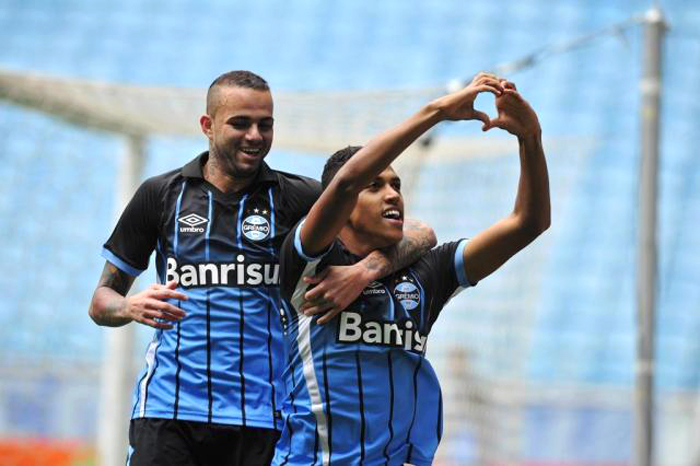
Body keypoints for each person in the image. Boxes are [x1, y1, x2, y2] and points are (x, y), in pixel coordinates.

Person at [88, 70, 436, 466]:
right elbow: (101, 302)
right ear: (207, 125)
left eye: (265, 125)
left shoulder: (298, 196)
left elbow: (420, 232)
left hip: (265, 417)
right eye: (240, 123)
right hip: (169, 412)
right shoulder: (161, 194)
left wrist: (365, 270)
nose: (255, 136)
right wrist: (129, 306)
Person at [273, 72, 550, 465]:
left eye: (396, 185)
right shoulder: (309, 264)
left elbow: (529, 222)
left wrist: (531, 139)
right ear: (343, 207)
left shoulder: (428, 272)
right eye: (376, 186)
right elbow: (347, 181)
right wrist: (436, 112)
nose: (392, 195)